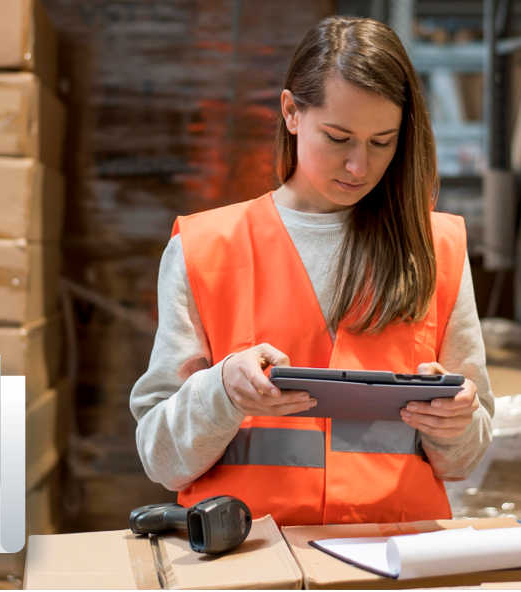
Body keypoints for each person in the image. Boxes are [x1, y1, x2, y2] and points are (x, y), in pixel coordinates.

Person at [130, 16, 494, 527]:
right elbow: (161, 459)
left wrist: (454, 424)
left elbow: (465, 459)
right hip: (253, 565)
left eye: (381, 142)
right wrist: (223, 394)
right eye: (338, 137)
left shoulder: (437, 249)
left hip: (395, 565)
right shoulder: (205, 248)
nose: (358, 167)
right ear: (291, 113)